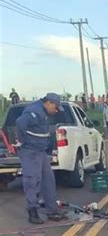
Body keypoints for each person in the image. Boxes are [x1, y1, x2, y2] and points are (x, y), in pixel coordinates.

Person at [15, 93, 68, 224]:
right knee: (32, 181)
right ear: (49, 103)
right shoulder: (34, 111)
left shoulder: (43, 111)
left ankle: (52, 210)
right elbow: (20, 123)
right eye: (55, 107)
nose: (56, 111)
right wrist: (22, 141)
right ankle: (32, 212)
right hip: (31, 151)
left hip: (40, 151)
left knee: (48, 180)